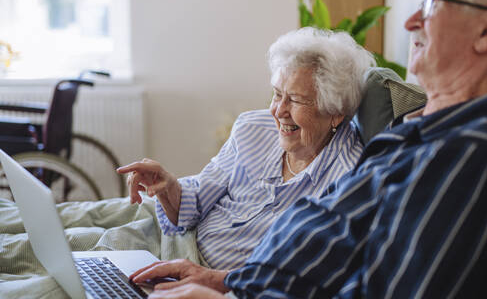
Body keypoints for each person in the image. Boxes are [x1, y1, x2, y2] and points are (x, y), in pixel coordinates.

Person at [128, 0, 487, 297]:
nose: (411, 21)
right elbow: (328, 244)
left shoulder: (468, 151)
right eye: (276, 94)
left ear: (486, 31)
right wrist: (224, 283)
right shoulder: (412, 136)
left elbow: (379, 280)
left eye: (431, 6)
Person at [117, 28, 375, 270]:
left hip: (205, 279)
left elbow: (305, 276)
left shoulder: (347, 181)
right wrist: (168, 187)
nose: (279, 110)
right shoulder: (253, 128)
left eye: (295, 100)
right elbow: (195, 201)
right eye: (277, 94)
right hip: (174, 238)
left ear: (335, 113)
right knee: (86, 252)